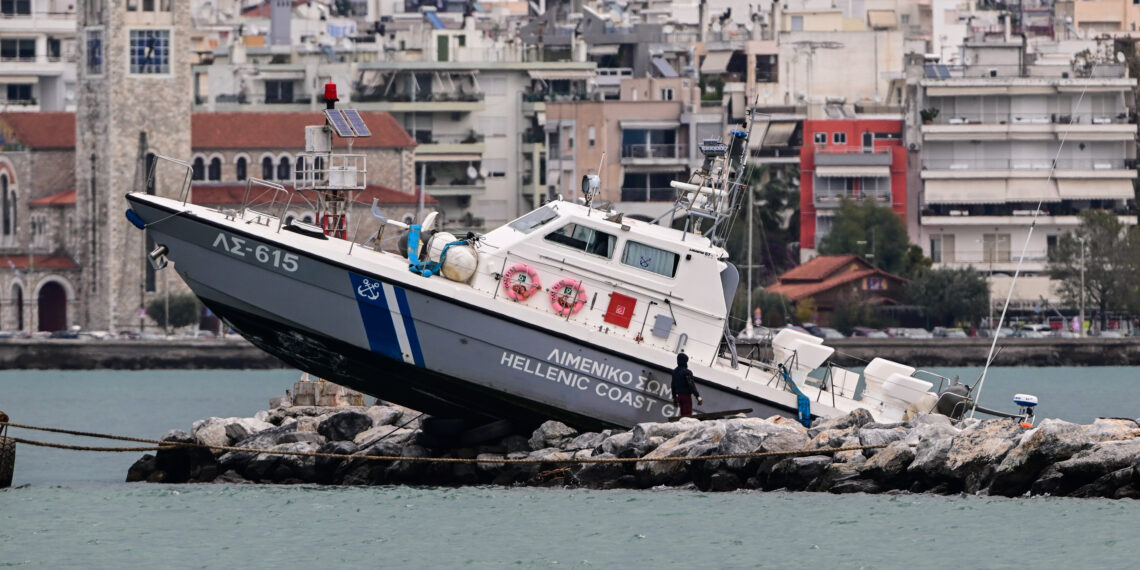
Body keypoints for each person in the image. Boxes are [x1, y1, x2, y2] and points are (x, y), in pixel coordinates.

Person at [671, 352, 703, 418]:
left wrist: (674, 398)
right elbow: (691, 385)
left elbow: (673, 385)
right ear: (685, 362)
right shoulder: (687, 372)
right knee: (687, 416)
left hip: (678, 396)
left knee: (682, 415)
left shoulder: (675, 372)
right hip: (686, 397)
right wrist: (698, 397)